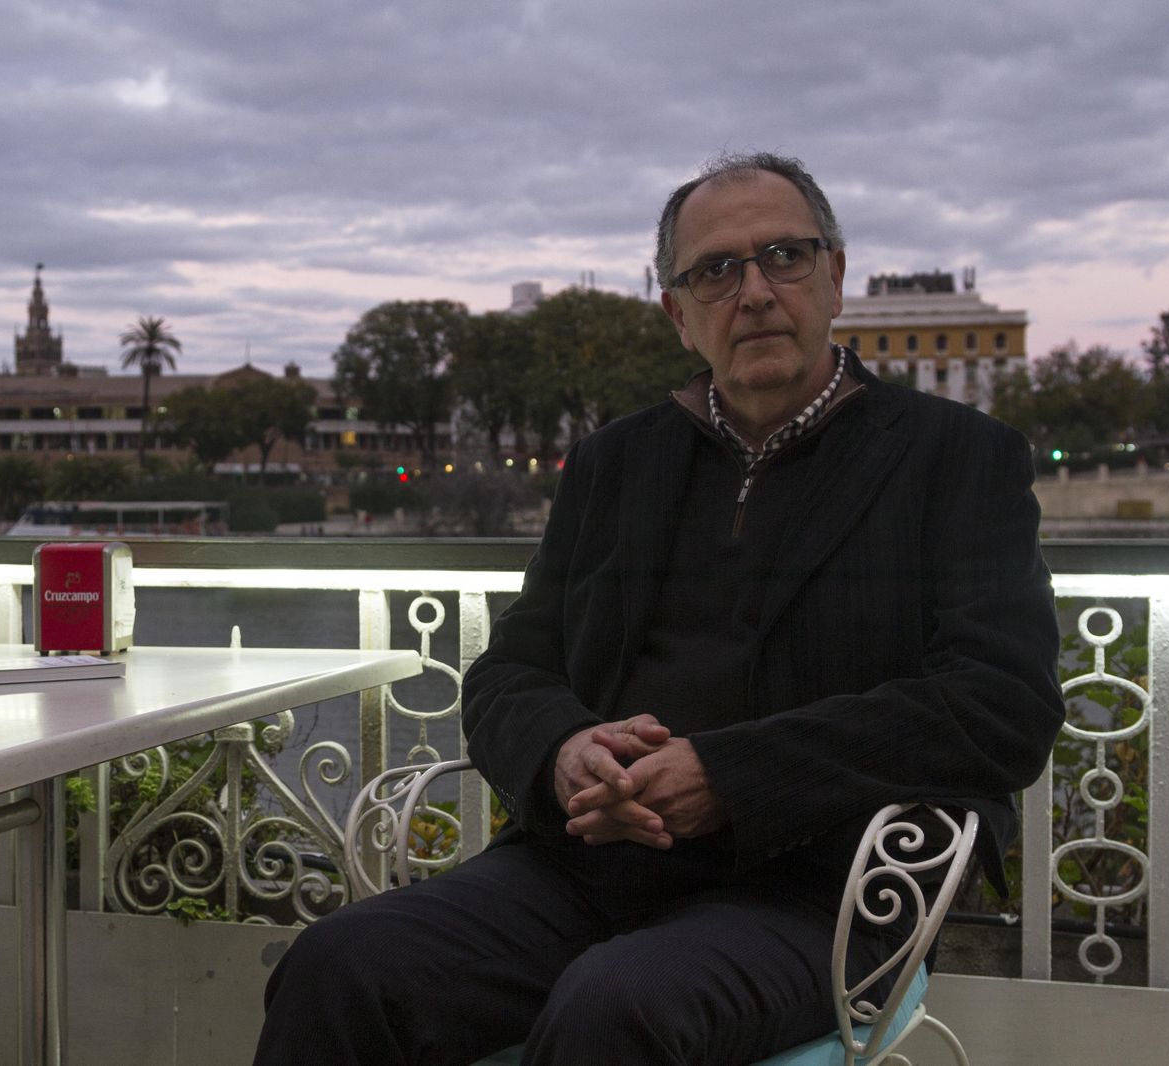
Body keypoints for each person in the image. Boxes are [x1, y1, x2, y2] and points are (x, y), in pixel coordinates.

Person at [253, 152, 1065, 1065]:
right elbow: (511, 671)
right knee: (340, 965)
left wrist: (728, 777)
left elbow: (1002, 704)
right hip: (582, 868)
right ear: (680, 316)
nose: (754, 292)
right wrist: (564, 753)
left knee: (615, 1007)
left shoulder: (957, 458)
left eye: (784, 256)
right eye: (716, 270)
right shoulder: (615, 463)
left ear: (835, 278)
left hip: (816, 890)